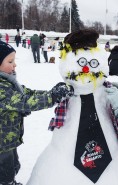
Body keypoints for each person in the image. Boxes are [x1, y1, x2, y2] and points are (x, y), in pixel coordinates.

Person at [0, 41, 74, 185]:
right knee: (5, 171)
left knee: (13, 165)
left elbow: (28, 93)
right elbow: (25, 101)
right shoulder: (2, 89)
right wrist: (53, 97)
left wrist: (51, 92)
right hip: (2, 142)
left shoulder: (8, 82)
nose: (15, 65)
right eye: (10, 61)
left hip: (7, 140)